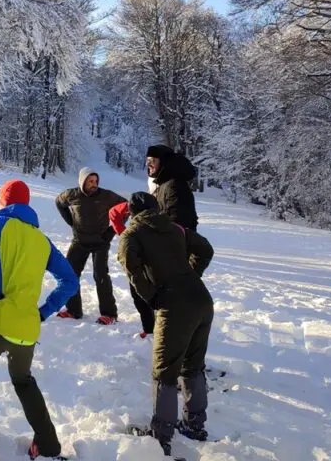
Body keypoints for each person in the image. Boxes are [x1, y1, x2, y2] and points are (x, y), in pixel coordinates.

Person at [0, 179, 77, 461]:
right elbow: (69, 281)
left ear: (3, 201)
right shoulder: (41, 240)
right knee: (23, 380)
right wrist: (43, 312)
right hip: (27, 329)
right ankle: (48, 446)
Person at [117, 192, 214, 457]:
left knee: (165, 371)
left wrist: (154, 297)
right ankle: (195, 425)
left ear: (131, 213)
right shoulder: (175, 228)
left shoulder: (131, 235)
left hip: (174, 304)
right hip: (201, 299)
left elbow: (132, 270)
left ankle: (161, 437)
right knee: (193, 366)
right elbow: (205, 249)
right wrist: (191, 274)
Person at [54, 167, 126, 324]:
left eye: (96, 181)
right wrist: (71, 221)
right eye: (90, 181)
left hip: (100, 242)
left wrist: (112, 230)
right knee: (70, 274)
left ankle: (109, 314)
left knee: (100, 275)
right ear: (82, 182)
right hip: (79, 241)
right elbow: (59, 202)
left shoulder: (106, 195)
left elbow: (125, 207)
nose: (94, 184)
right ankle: (73, 310)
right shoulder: (72, 194)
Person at [109, 200, 154, 338]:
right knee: (139, 293)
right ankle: (149, 330)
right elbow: (114, 212)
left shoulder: (166, 197)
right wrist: (123, 233)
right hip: (138, 252)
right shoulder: (140, 199)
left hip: (158, 253)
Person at [146, 145, 199, 231]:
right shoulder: (164, 185)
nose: (148, 164)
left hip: (176, 242)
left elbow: (178, 223)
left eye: (153, 161)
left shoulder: (175, 185)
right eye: (147, 160)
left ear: (164, 162)